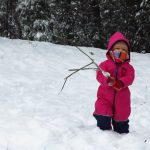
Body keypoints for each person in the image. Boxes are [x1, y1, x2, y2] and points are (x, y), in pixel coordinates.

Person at [93, 32, 135, 134]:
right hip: (105, 97)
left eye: (124, 49)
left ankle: (122, 138)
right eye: (118, 48)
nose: (121, 51)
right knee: (103, 116)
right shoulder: (105, 64)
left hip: (122, 99)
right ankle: (103, 136)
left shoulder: (128, 67)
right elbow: (100, 75)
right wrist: (107, 80)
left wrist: (121, 83)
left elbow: (130, 77)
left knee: (121, 123)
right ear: (111, 49)